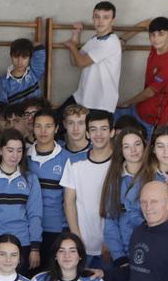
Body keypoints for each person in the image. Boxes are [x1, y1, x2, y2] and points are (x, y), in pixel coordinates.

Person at [0, 129, 43, 275]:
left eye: (19, 151)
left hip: (22, 243)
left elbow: (35, 214)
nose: (15, 155)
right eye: (10, 150)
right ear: (0, 150)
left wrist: (35, 247)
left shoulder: (30, 178)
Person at [61, 110, 114, 266]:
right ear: (88, 133)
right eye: (93, 129)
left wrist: (112, 240)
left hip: (112, 244)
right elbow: (69, 201)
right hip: (83, 244)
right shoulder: (74, 162)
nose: (98, 134)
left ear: (112, 132)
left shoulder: (120, 162)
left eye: (104, 129)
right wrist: (76, 237)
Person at [116, 17, 168, 135]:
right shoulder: (157, 46)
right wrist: (123, 39)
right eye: (152, 35)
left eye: (161, 34)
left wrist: (128, 103)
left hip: (152, 118)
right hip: (139, 108)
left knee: (141, 150)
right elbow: (146, 23)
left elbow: (150, 92)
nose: (156, 39)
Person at [27, 110, 73, 269]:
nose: (43, 131)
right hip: (28, 229)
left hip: (56, 229)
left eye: (48, 126)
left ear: (56, 128)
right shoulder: (23, 156)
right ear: (32, 128)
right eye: (38, 126)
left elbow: (70, 200)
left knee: (52, 278)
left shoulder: (67, 159)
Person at [62, 1, 124, 112]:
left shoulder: (110, 42)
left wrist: (71, 46)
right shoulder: (94, 39)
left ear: (112, 21)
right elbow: (74, 61)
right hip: (82, 97)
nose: (100, 21)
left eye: (105, 17)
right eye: (97, 17)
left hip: (99, 104)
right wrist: (75, 35)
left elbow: (81, 62)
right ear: (93, 18)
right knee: (56, 120)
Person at [101, 127, 147, 265]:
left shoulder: (156, 177)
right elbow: (110, 220)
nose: (133, 150)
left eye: (137, 144)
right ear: (121, 151)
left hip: (152, 251)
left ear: (145, 146)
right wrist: (118, 255)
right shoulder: (114, 180)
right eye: (126, 146)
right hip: (124, 253)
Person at [0, 38, 47, 104]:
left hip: (37, 113)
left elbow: (40, 48)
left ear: (30, 58)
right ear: (11, 57)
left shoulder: (34, 73)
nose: (20, 62)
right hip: (15, 114)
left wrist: (25, 44)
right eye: (16, 56)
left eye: (24, 57)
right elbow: (2, 108)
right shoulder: (2, 82)